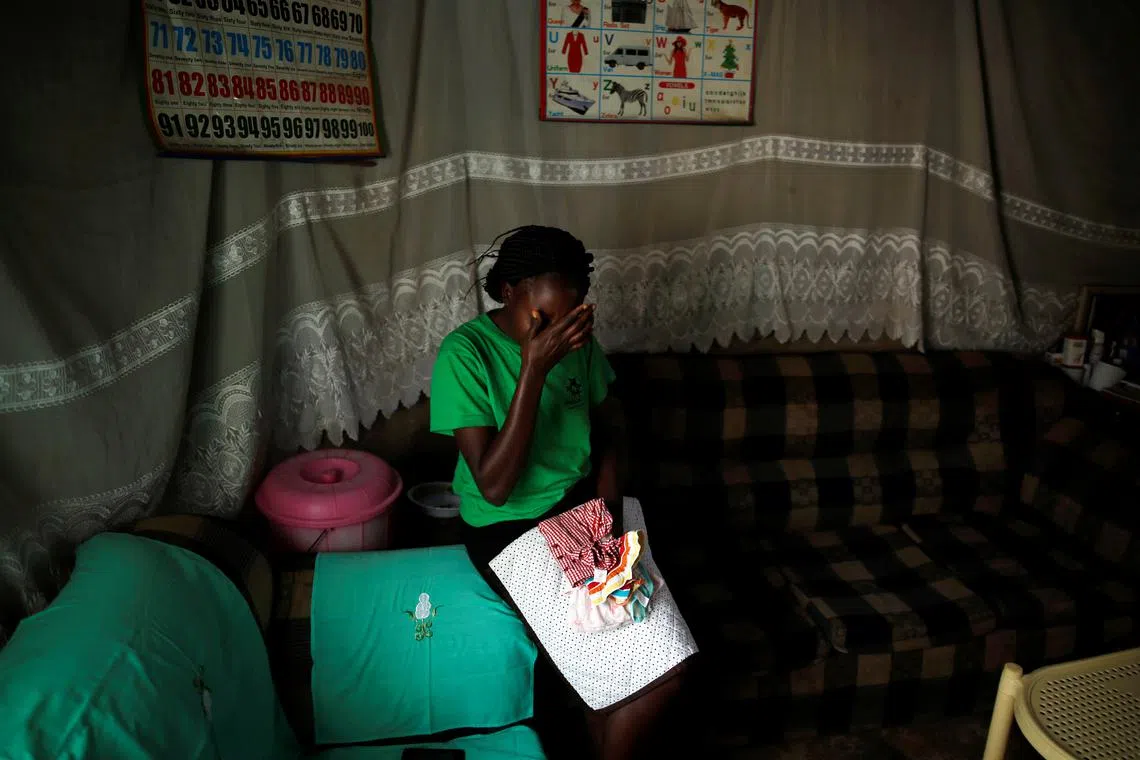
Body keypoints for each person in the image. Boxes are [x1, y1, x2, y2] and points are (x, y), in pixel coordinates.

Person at [429, 226, 690, 760]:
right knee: (660, 676)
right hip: (513, 525)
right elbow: (495, 486)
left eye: (571, 318)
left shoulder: (578, 344)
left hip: (582, 512)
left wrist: (608, 511)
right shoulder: (466, 353)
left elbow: (611, 421)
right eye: (543, 318)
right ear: (507, 291)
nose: (558, 331)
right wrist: (534, 367)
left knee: (636, 673)